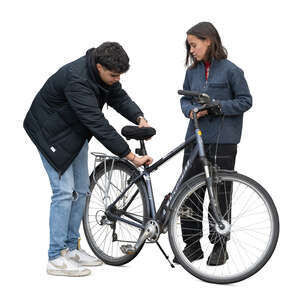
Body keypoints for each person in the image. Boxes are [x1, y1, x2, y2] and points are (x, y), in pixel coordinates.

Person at [23, 42, 153, 277]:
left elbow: (118, 96)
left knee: (82, 189)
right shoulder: (78, 80)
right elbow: (98, 124)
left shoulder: (103, 75)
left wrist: (138, 116)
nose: (116, 79)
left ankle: (72, 248)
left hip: (74, 132)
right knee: (64, 191)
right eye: (113, 75)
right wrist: (130, 156)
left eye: (119, 75)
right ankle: (55, 256)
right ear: (99, 66)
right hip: (49, 132)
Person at [174, 22, 252, 266]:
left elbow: (245, 101)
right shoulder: (192, 72)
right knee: (189, 193)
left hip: (224, 141)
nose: (192, 50)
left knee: (219, 194)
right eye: (189, 46)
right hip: (195, 140)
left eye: (194, 45)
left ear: (209, 41)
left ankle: (220, 246)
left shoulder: (232, 71)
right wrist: (190, 110)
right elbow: (185, 100)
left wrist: (217, 107)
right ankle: (192, 245)